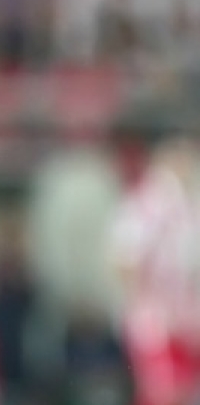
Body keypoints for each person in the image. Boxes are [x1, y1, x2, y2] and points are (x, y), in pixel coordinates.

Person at [110, 135, 200, 405]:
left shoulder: (190, 205)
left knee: (186, 391)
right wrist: (146, 305)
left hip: (188, 319)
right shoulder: (145, 205)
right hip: (157, 321)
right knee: (164, 394)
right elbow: (126, 261)